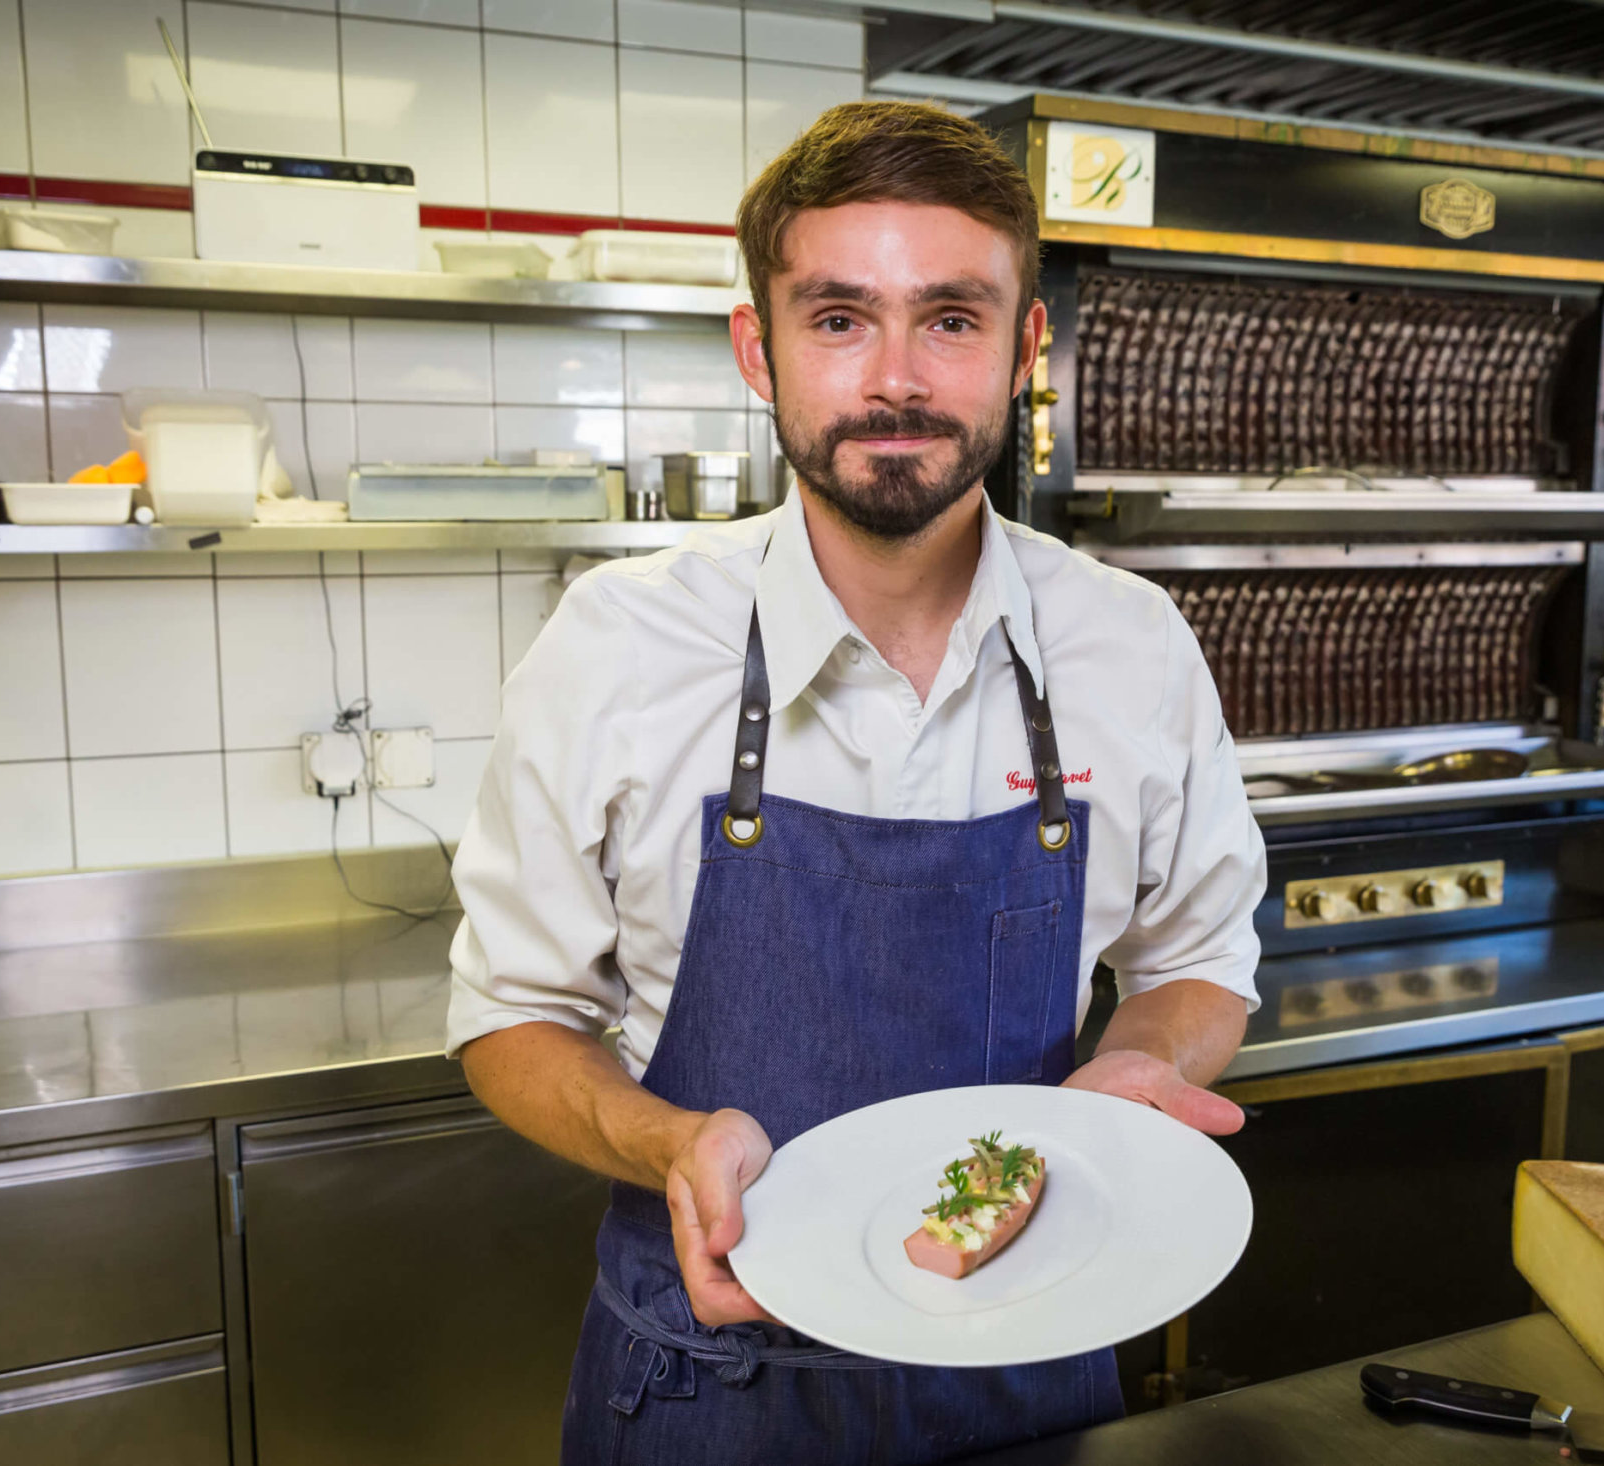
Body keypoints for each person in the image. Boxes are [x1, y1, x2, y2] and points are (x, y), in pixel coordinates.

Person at [447, 100, 1265, 1464]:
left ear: (1026, 347)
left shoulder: (1129, 643)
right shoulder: (617, 644)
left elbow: (1202, 958)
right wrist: (664, 1141)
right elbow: (511, 1017)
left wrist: (1140, 1057)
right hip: (704, 1384)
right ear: (757, 350)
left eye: (951, 316)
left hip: (1028, 1362)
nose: (895, 377)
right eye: (839, 317)